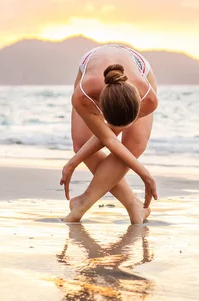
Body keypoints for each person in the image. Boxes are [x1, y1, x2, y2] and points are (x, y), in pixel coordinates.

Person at [59, 43, 159, 224]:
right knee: (81, 144)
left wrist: (145, 175)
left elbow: (111, 139)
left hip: (138, 69)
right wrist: (144, 174)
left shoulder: (148, 98)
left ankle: (83, 202)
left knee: (134, 145)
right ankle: (133, 204)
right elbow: (108, 139)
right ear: (101, 106)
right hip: (92, 65)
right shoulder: (83, 95)